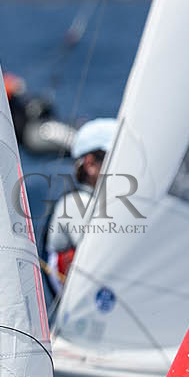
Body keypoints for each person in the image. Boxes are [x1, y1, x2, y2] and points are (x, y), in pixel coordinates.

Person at [41, 117, 115, 294]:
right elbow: (101, 255)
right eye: (119, 157)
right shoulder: (76, 203)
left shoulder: (104, 203)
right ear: (90, 164)